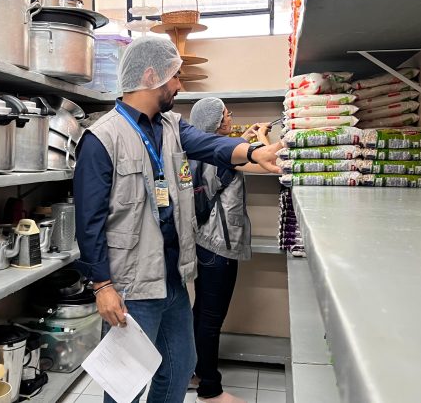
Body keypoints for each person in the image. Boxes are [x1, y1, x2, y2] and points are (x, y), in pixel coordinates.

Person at [74, 37, 284, 403]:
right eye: (176, 76)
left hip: (172, 277)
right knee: (127, 382)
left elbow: (210, 144)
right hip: (132, 284)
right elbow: (88, 221)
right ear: (152, 75)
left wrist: (253, 151)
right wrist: (102, 286)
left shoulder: (170, 125)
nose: (180, 85)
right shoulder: (102, 138)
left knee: (179, 364)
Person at [188, 98, 273, 403]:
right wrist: (263, 138)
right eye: (227, 114)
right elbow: (268, 163)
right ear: (215, 122)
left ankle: (195, 372)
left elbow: (232, 157)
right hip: (220, 248)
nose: (231, 116)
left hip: (203, 243)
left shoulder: (202, 151)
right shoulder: (225, 152)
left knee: (201, 314)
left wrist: (247, 140)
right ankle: (210, 390)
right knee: (211, 319)